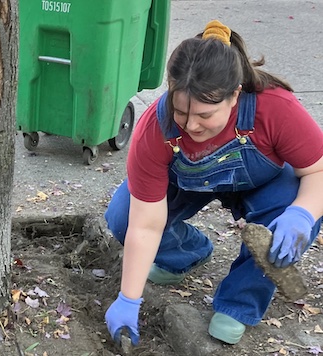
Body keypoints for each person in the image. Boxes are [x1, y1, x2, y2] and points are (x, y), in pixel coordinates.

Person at [103, 20, 323, 346]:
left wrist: (303, 213)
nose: (191, 125)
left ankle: (239, 301)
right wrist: (128, 299)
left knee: (289, 210)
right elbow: (144, 224)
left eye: (205, 116)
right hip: (188, 182)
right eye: (181, 112)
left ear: (234, 95)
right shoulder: (155, 128)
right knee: (122, 215)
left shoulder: (275, 108)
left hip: (261, 182)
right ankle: (186, 253)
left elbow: (318, 171)